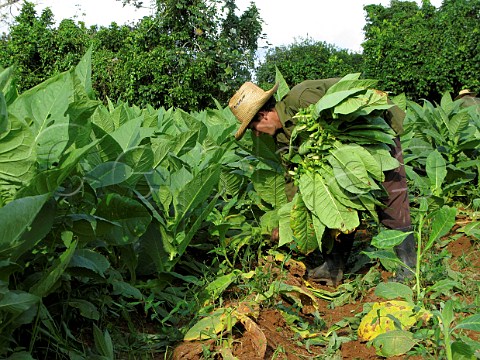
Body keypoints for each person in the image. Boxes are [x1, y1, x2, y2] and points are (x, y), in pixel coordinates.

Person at [228, 79, 416, 286]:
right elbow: (291, 175)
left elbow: (345, 121)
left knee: (391, 191)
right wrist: (289, 219)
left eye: (254, 127)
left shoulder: (303, 99)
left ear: (263, 116)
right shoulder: (281, 137)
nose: (256, 134)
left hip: (374, 131)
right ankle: (333, 268)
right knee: (332, 202)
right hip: (342, 156)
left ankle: (408, 266)